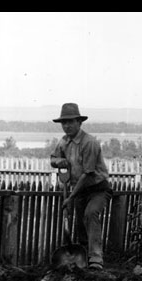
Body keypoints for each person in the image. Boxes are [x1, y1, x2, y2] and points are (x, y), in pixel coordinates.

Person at [50, 103, 112, 270]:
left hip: (98, 188)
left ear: (79, 122)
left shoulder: (89, 143)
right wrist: (58, 161)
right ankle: (83, 258)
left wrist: (70, 197)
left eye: (70, 122)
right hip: (80, 190)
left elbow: (88, 174)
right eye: (64, 123)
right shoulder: (63, 142)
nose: (67, 126)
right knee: (79, 223)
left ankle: (96, 259)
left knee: (90, 214)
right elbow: (52, 159)